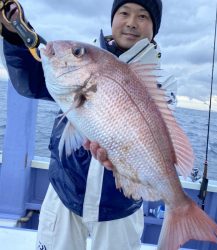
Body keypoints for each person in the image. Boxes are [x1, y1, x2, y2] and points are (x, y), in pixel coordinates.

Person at [0, 0, 163, 249]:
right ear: (112, 18)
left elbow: (155, 143)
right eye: (124, 13)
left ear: (155, 28)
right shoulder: (80, 64)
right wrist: (14, 33)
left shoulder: (160, 85)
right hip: (64, 193)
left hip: (121, 207)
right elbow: (30, 82)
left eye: (143, 16)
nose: (131, 22)